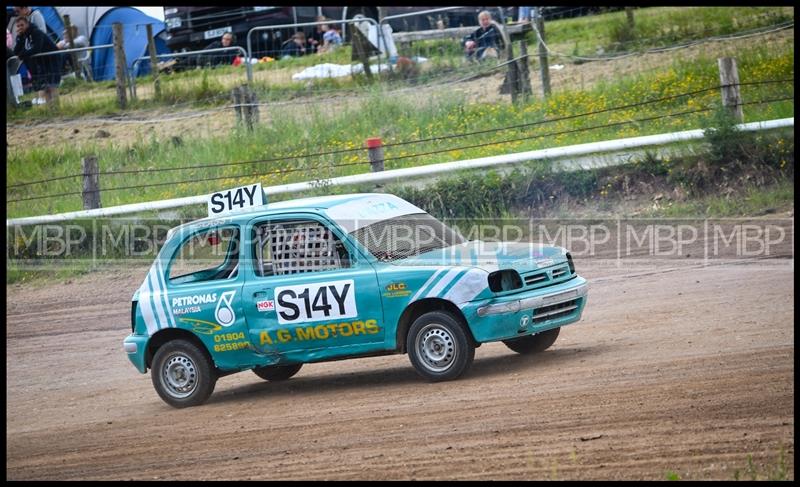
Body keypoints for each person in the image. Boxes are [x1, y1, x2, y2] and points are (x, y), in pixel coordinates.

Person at [13, 15, 61, 105]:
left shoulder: (36, 32)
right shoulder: (23, 36)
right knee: (45, 87)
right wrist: (19, 38)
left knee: (52, 86)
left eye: (22, 25)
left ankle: (56, 108)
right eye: (18, 26)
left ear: (27, 24)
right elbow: (16, 52)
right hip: (42, 63)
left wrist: (22, 55)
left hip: (52, 60)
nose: (20, 28)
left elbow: (36, 49)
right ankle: (50, 109)